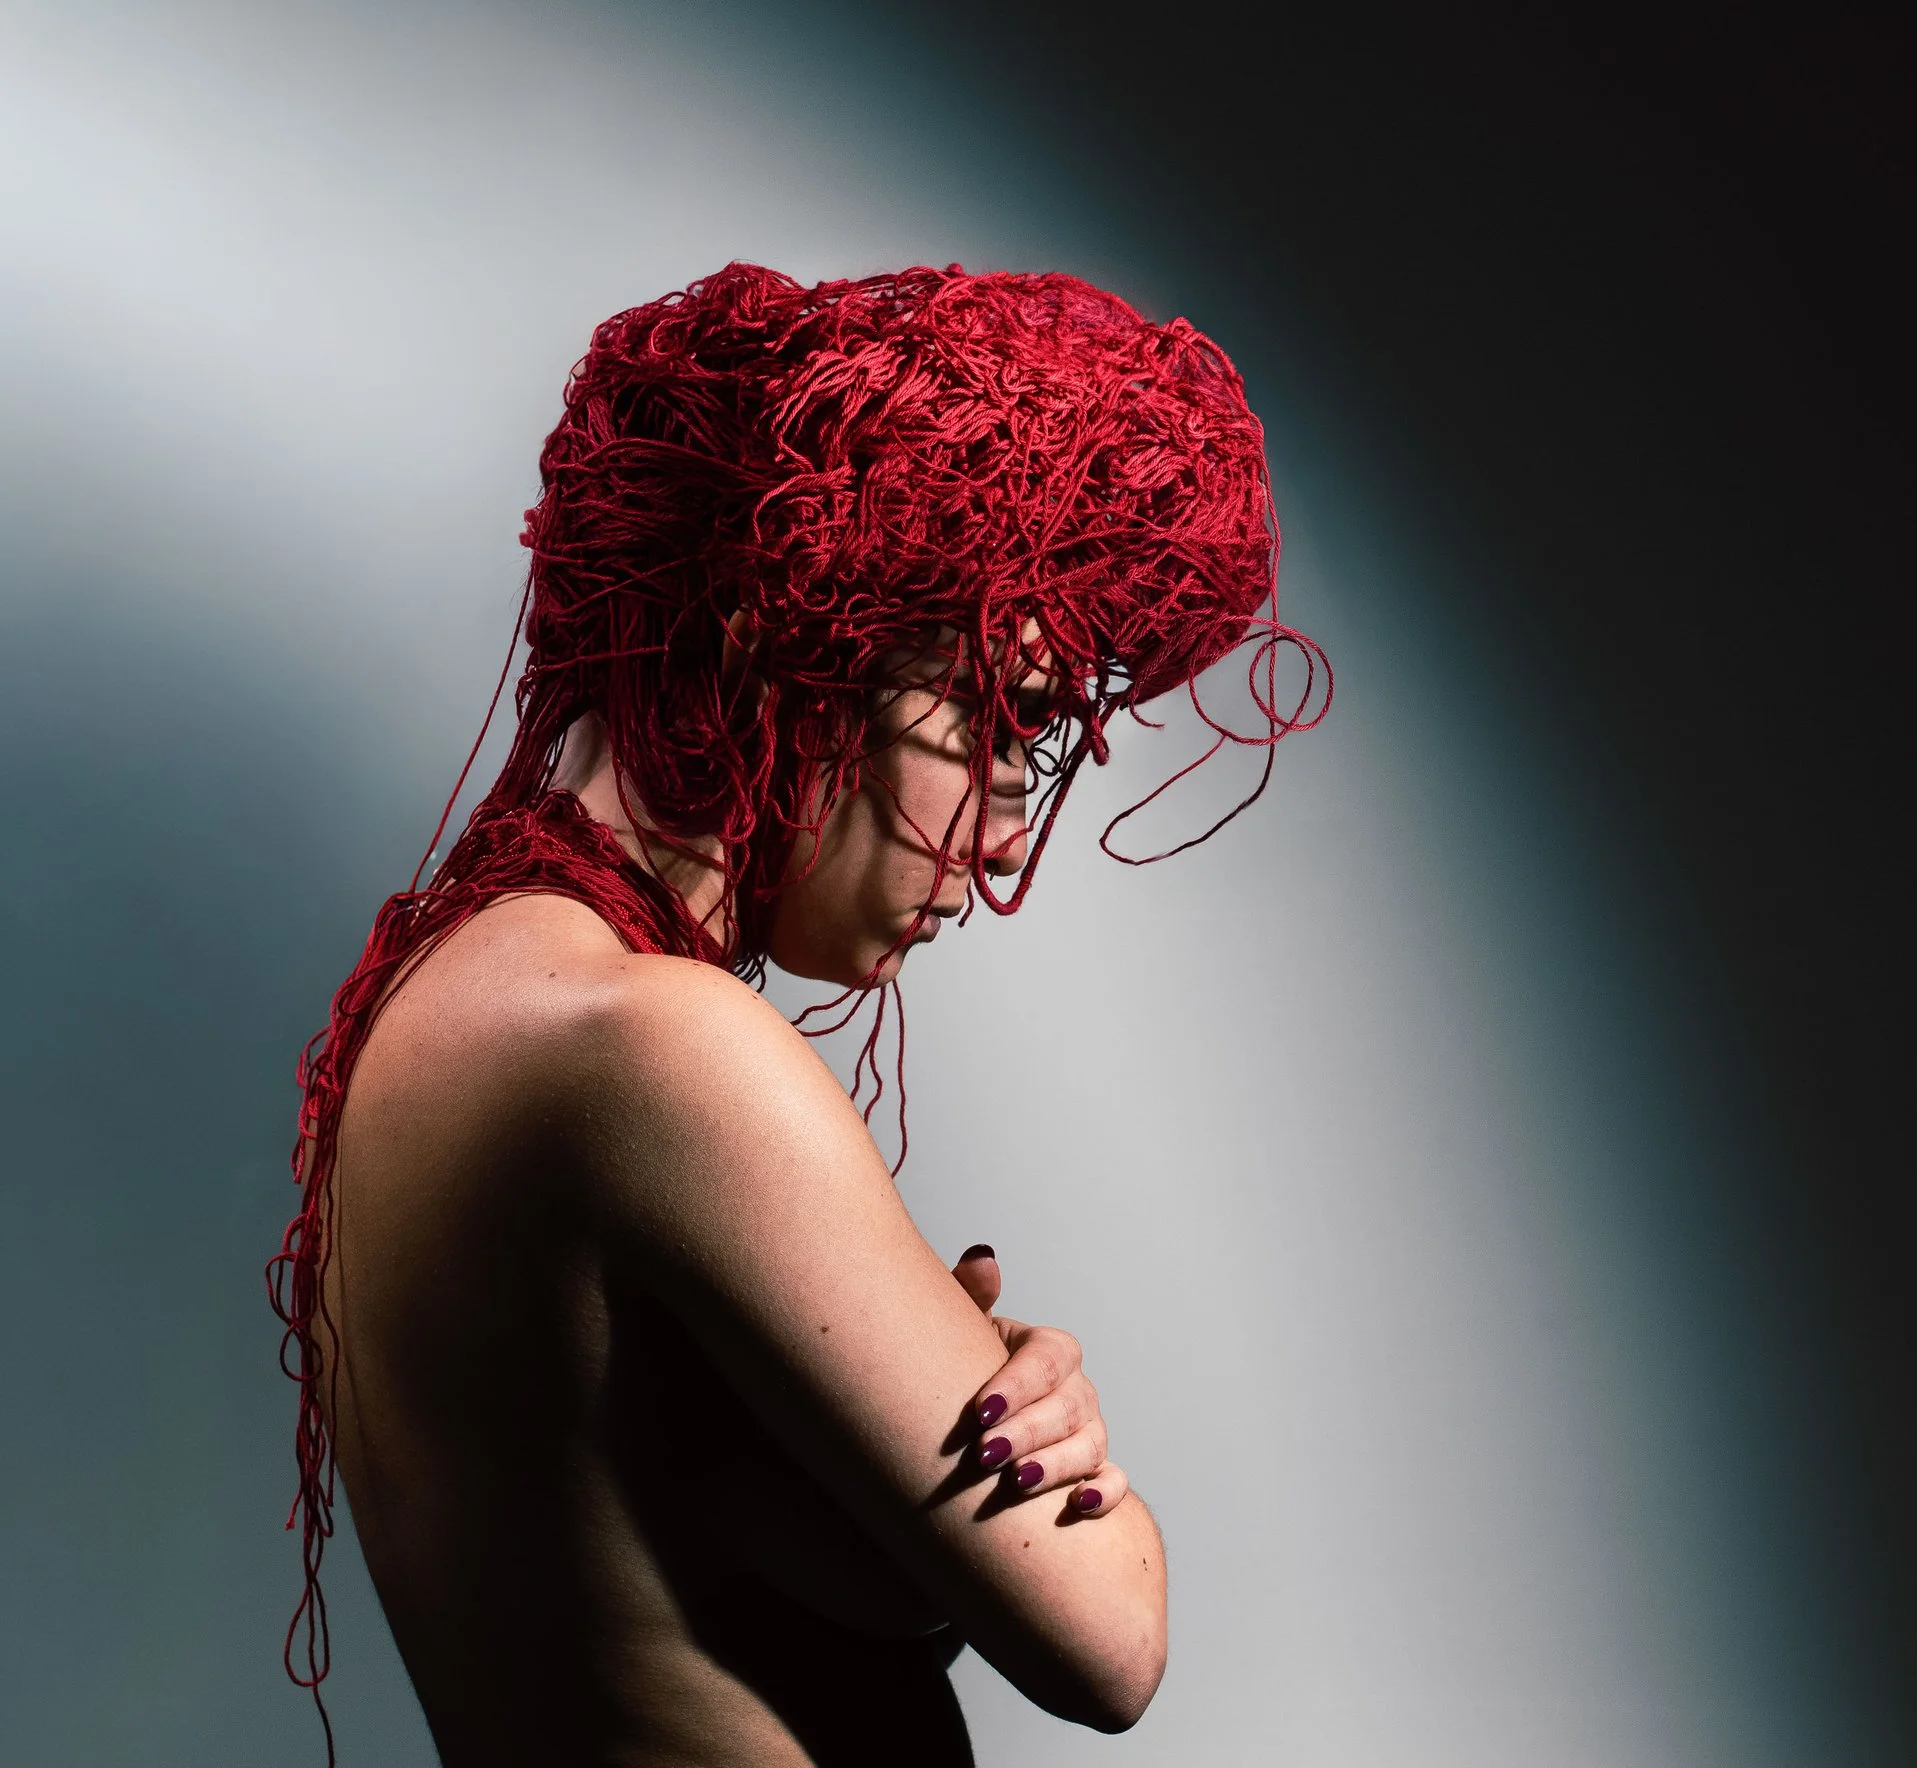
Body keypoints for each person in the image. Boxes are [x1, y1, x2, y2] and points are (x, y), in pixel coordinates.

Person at [267, 263, 1326, 1765]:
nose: (1015, 832)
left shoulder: (450, 1006)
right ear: (797, 640)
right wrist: (1089, 1487)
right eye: (1002, 724)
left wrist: (962, 1397)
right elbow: (1111, 1638)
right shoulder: (659, 1050)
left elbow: (685, 1551)